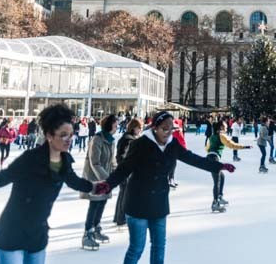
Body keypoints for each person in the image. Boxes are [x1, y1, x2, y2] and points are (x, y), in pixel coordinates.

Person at [96, 111, 235, 264]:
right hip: (138, 203)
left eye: (171, 129)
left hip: (159, 204)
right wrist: (108, 184)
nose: (168, 133)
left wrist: (218, 166)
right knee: (137, 247)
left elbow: (193, 159)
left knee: (158, 246)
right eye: (164, 129)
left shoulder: (172, 144)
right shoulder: (141, 144)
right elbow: (124, 168)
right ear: (155, 128)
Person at [0, 104, 99, 263]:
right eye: (63, 135)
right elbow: (5, 176)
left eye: (71, 135)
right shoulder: (31, 158)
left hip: (37, 234)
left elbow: (75, 182)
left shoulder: (65, 162)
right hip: (12, 232)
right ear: (49, 135)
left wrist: (95, 187)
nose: (69, 140)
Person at [80, 114, 118, 250]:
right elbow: (94, 162)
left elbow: (112, 160)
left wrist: (116, 175)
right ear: (109, 125)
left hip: (106, 178)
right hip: (95, 178)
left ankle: (96, 228)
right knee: (95, 204)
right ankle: (87, 234)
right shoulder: (97, 139)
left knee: (102, 202)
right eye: (115, 124)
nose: (117, 126)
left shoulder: (111, 141)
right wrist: (106, 180)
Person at [206, 121, 252, 210]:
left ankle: (219, 197)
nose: (227, 127)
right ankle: (215, 203)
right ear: (221, 127)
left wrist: (212, 154)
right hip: (214, 158)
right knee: (217, 181)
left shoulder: (211, 137)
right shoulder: (222, 136)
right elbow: (232, 145)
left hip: (210, 157)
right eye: (225, 126)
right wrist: (245, 147)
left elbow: (207, 148)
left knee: (221, 177)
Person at [114, 118, 142, 227]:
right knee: (125, 194)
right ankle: (121, 218)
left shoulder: (129, 138)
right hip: (125, 172)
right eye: (139, 128)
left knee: (123, 194)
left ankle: (118, 217)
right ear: (134, 128)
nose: (140, 130)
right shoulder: (128, 139)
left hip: (124, 171)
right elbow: (121, 156)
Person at [168, 118, 186, 188]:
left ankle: (171, 179)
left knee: (173, 165)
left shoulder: (176, 131)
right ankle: (170, 180)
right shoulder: (175, 132)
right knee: (172, 165)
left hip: (173, 151)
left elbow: (181, 140)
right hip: (171, 151)